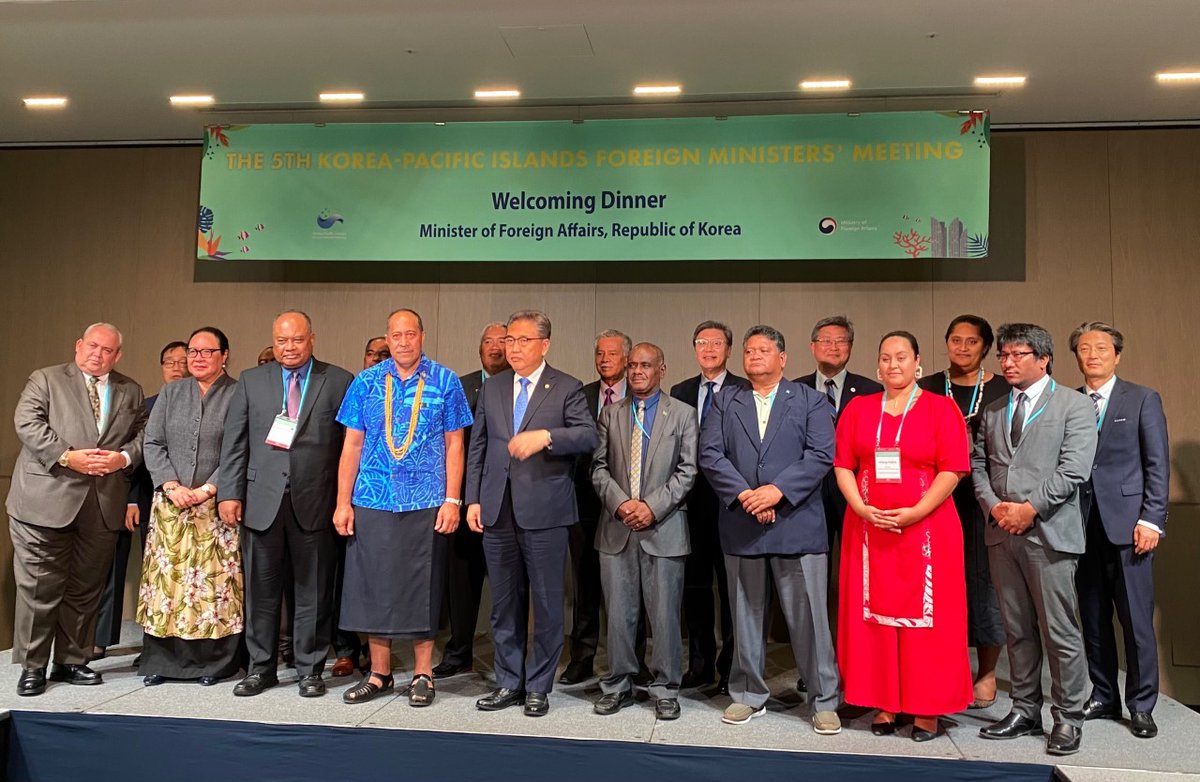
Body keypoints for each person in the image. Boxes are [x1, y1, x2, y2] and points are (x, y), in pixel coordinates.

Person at [698, 325, 841, 734]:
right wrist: (747, 496)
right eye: (748, 350)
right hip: (743, 522)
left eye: (763, 349)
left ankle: (823, 698)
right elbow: (710, 454)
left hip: (796, 522)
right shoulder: (726, 401)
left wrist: (776, 492)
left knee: (810, 617)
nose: (754, 355)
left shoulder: (811, 401)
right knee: (744, 617)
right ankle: (747, 695)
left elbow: (820, 454)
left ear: (783, 358)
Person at [834, 331, 973, 741]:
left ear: (918, 364)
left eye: (901, 357)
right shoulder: (859, 409)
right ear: (877, 366)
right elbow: (843, 465)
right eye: (885, 358)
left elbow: (954, 469)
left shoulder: (940, 409)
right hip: (868, 529)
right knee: (873, 621)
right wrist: (860, 508)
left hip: (928, 530)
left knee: (929, 625)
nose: (893, 365)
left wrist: (915, 512)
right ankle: (885, 702)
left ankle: (927, 709)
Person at [334, 309, 473, 705]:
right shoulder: (366, 382)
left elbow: (455, 445)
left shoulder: (446, 381)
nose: (404, 342)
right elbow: (352, 446)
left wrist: (452, 500)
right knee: (373, 584)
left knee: (421, 586)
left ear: (422, 337)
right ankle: (380, 674)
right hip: (372, 499)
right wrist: (342, 503)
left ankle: (422, 674)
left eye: (410, 334)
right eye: (396, 335)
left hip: (428, 500)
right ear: (387, 339)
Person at [465, 310, 598, 717]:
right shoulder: (493, 388)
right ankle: (509, 681)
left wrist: (546, 437)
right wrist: (472, 499)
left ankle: (539, 684)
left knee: (546, 602)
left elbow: (589, 435)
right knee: (504, 603)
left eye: (523, 340)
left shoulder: (567, 387)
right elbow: (479, 448)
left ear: (545, 344)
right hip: (496, 509)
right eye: (510, 340)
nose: (514, 347)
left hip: (546, 511)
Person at [973, 323, 1097, 756]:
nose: (1007, 362)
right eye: (1003, 356)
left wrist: (1029, 509)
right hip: (1001, 532)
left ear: (1043, 358)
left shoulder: (1074, 405)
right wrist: (995, 507)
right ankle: (1025, 710)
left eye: (1017, 355)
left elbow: (1075, 468)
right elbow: (977, 464)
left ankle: (1068, 718)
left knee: (1060, 631)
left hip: (1048, 533)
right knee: (1017, 630)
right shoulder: (992, 409)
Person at [218, 310, 354, 698]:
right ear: (273, 341)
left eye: (296, 340)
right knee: (261, 591)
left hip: (316, 501)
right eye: (281, 341)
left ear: (312, 339)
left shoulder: (339, 380)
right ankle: (261, 668)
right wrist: (229, 492)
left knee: (313, 590)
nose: (288, 348)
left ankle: (310, 668)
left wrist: (345, 501)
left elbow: (350, 447)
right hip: (260, 501)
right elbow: (235, 442)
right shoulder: (250, 380)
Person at [8, 322, 147, 696]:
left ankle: (71, 661)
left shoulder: (130, 389)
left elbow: (144, 435)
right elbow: (27, 422)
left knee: (86, 589)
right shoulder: (46, 379)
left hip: (102, 505)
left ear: (117, 356)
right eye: (92, 346)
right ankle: (33, 666)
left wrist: (122, 458)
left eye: (107, 350)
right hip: (44, 501)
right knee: (40, 588)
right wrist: (68, 457)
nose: (97, 355)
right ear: (78, 346)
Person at [1070, 322, 1169, 739]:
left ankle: (1142, 704)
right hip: (1079, 525)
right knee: (1092, 618)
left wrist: (1152, 520)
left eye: (1102, 348)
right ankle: (1104, 694)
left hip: (1130, 526)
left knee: (1136, 621)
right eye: (1085, 348)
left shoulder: (1142, 398)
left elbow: (1156, 464)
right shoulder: (1069, 402)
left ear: (1117, 355)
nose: (1092, 355)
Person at [591, 343, 698, 720]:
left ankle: (666, 688)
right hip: (617, 529)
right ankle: (618, 684)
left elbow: (688, 471)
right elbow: (598, 468)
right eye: (633, 365)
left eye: (646, 365)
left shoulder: (683, 415)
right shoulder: (609, 414)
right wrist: (622, 505)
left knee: (665, 616)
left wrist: (651, 507)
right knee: (619, 615)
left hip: (664, 527)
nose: (637, 371)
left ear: (661, 369)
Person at [137, 327, 242, 686]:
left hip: (216, 506)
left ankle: (213, 664)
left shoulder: (238, 393)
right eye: (193, 352)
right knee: (168, 584)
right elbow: (152, 442)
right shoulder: (171, 391)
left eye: (207, 351)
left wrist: (209, 488)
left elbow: (239, 448)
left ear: (224, 355)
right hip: (170, 504)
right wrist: (171, 485)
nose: (197, 358)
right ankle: (163, 663)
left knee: (212, 588)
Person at [917, 315, 1008, 709]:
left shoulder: (1003, 388)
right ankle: (937, 668)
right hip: (936, 497)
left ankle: (986, 673)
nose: (963, 347)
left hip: (985, 498)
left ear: (985, 347)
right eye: (956, 340)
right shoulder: (927, 388)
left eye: (972, 342)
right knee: (937, 583)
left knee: (987, 584)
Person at [93, 340, 189, 662]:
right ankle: (103, 639)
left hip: (193, 500)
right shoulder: (145, 404)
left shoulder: (204, 401)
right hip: (146, 498)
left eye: (182, 361)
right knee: (141, 573)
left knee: (180, 575)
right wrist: (131, 499)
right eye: (169, 362)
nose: (177, 368)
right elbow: (132, 453)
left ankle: (168, 646)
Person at [669, 320, 748, 694]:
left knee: (734, 589)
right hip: (691, 502)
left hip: (733, 501)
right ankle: (699, 664)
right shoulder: (680, 390)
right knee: (695, 587)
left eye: (717, 343)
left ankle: (731, 667)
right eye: (702, 342)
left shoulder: (744, 389)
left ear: (729, 349)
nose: (709, 349)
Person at [434, 322, 509, 679]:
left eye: (501, 340)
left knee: (511, 587)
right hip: (463, 501)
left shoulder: (524, 388)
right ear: (479, 348)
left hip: (507, 504)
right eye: (487, 341)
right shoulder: (458, 387)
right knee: (461, 582)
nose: (494, 347)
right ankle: (459, 650)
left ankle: (510, 658)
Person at [562, 329, 631, 684]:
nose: (605, 359)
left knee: (630, 584)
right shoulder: (580, 395)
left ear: (627, 359)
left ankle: (634, 660)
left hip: (630, 505)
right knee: (585, 581)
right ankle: (582, 657)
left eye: (612, 354)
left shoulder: (641, 395)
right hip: (585, 503)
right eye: (600, 353)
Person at [795, 315, 882, 555]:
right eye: (826, 340)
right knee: (810, 562)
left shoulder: (871, 391)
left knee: (857, 558)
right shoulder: (794, 390)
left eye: (841, 341)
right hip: (807, 491)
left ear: (850, 347)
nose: (834, 347)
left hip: (855, 490)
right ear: (813, 347)